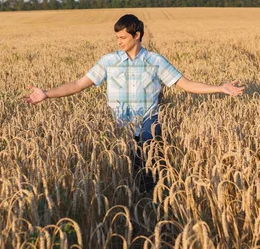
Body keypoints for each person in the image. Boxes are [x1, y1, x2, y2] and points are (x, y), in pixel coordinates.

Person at [24, 14, 245, 191]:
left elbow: (186, 84)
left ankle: (152, 207)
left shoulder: (155, 61)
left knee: (149, 175)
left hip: (148, 124)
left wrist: (219, 88)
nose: (118, 42)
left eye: (122, 37)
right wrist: (46, 94)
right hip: (119, 128)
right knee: (124, 176)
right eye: (117, 38)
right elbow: (77, 85)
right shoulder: (109, 61)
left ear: (136, 35)